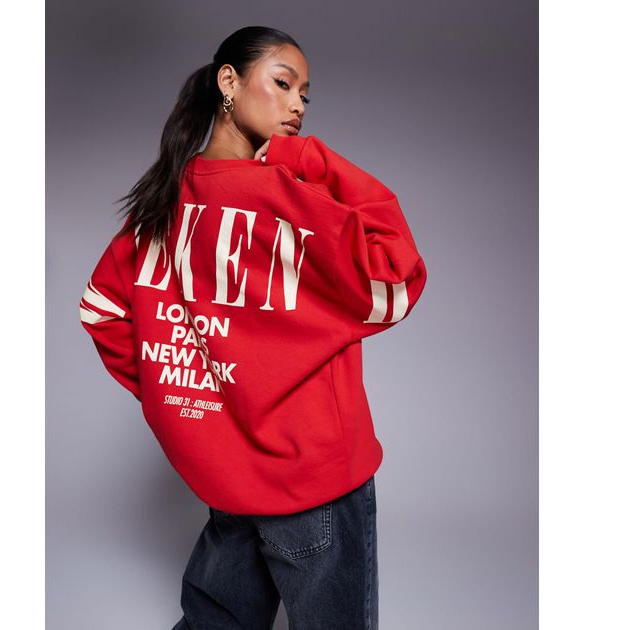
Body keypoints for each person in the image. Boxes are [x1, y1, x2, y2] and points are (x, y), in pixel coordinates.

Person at [78, 26, 426, 630]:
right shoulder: (289, 198)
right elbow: (395, 280)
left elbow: (102, 310)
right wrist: (308, 157)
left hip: (225, 482)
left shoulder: (166, 201)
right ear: (229, 81)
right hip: (312, 477)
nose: (297, 106)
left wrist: (178, 390)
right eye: (283, 84)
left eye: (305, 96)